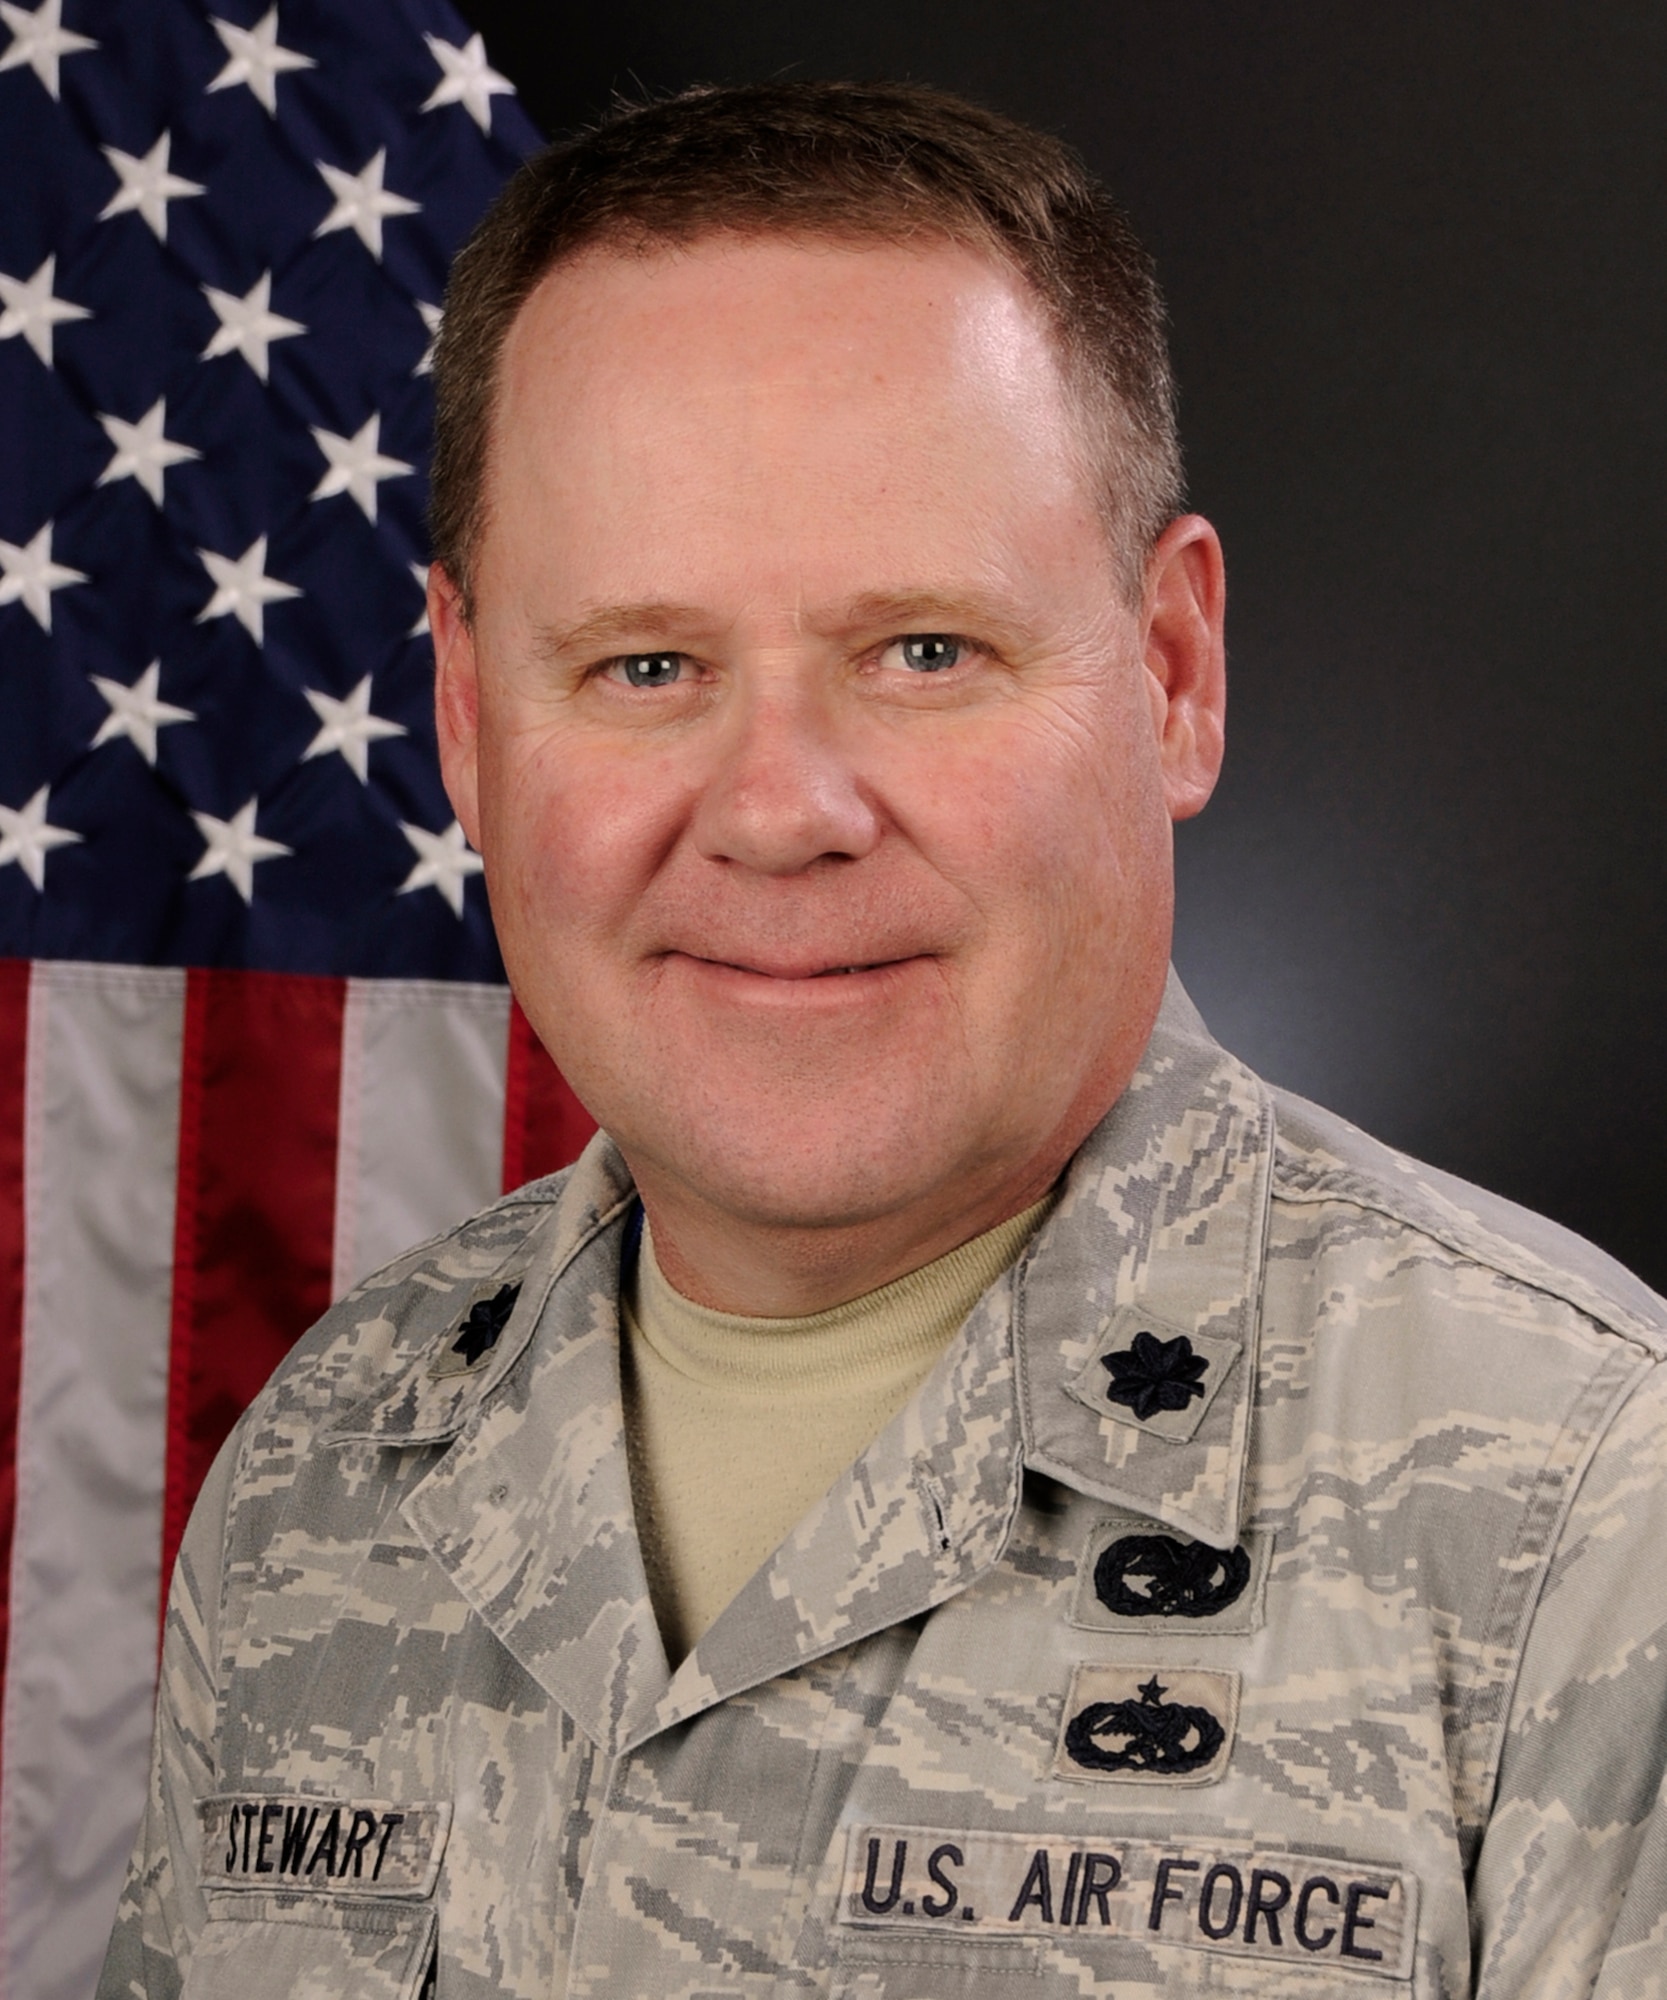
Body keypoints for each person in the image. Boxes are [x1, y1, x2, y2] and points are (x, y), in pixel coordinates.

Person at [100, 81, 1667, 2000]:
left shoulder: (1589, 1520)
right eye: (645, 666)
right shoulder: (320, 1475)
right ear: (464, 716)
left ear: (1170, 675)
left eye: (923, 649)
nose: (780, 807)